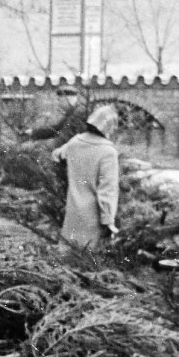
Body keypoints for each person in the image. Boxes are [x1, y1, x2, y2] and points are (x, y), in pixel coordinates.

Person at [54, 103, 121, 248]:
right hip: (94, 217)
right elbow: (108, 189)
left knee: (67, 255)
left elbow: (57, 154)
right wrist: (108, 222)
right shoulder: (108, 152)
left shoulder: (75, 142)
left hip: (72, 214)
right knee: (89, 262)